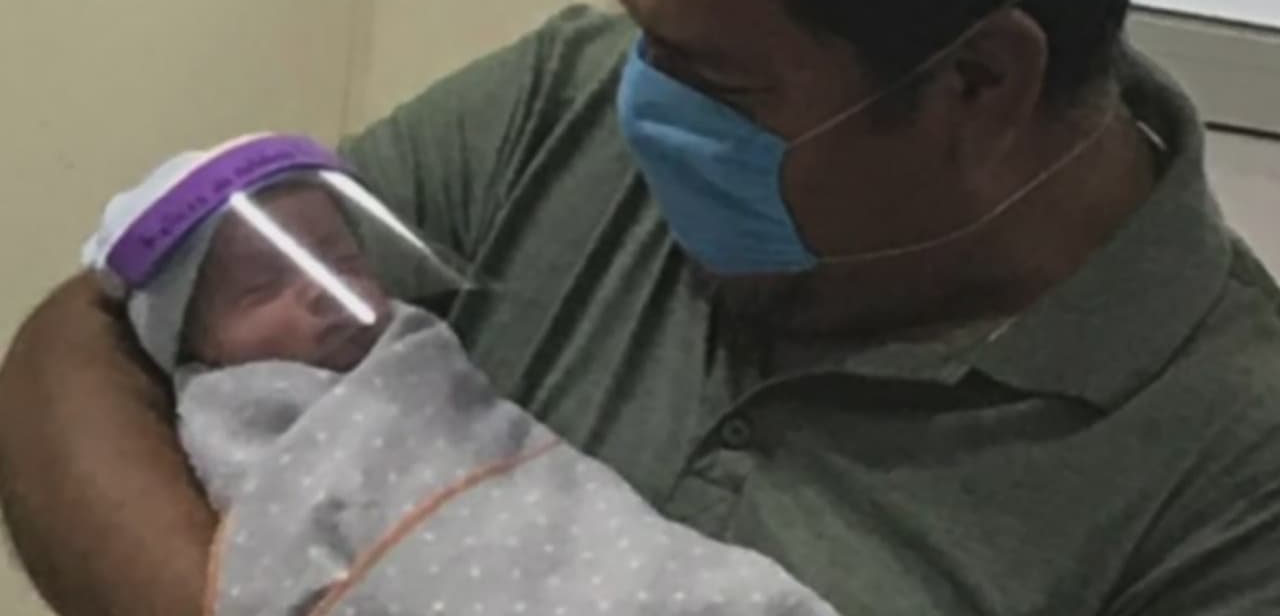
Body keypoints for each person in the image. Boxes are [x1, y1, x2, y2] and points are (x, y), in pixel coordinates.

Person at [3, 0, 1279, 614]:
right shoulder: (559, 102)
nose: (638, 104)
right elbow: (93, 337)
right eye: (642, 36)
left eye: (711, 78)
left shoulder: (1230, 488)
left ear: (977, 82)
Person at [86, 133, 839, 616]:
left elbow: (526, 486)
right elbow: (275, 543)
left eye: (341, 258)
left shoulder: (411, 355)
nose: (321, 287)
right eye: (261, 287)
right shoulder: (228, 412)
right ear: (192, 344)